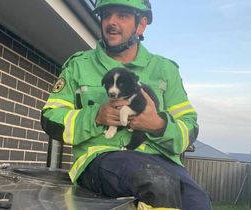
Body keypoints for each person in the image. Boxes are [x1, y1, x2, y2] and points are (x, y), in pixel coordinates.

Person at [41, 0, 212, 209]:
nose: (111, 22)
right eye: (106, 15)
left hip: (162, 161)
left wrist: (158, 125)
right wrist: (95, 117)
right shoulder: (78, 66)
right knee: (155, 184)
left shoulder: (166, 70)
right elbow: (50, 119)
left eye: (122, 15)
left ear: (141, 24)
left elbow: (190, 128)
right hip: (99, 158)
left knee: (199, 202)